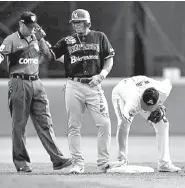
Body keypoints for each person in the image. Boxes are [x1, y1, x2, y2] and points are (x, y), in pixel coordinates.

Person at [0, 11, 72, 172]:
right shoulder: (11, 39)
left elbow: (49, 55)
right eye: (29, 26)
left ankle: (58, 159)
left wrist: (41, 39)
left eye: (34, 26)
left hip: (36, 82)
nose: (32, 29)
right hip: (19, 82)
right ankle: (21, 162)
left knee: (45, 122)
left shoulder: (37, 38)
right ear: (21, 24)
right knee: (19, 124)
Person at [42, 9, 116, 174]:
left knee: (104, 124)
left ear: (88, 22)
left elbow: (109, 59)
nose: (76, 25)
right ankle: (77, 163)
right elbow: (50, 55)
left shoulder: (99, 37)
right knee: (74, 126)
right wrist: (41, 41)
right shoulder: (68, 41)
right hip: (73, 85)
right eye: (74, 22)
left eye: (79, 22)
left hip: (94, 84)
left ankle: (103, 162)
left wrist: (102, 75)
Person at [111, 75, 181, 172]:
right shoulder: (133, 102)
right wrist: (122, 155)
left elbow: (168, 81)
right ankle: (121, 160)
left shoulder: (163, 90)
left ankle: (164, 163)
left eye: (149, 107)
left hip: (141, 85)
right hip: (121, 92)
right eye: (145, 105)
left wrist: (160, 105)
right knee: (122, 122)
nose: (145, 109)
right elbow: (124, 127)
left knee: (163, 123)